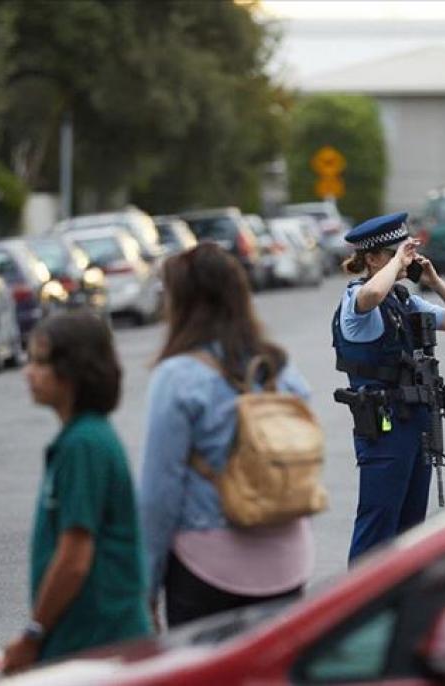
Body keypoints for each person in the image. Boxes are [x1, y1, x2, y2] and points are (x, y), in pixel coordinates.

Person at [140, 243, 313, 628]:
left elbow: (158, 494)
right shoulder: (280, 370)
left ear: (182, 303)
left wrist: (146, 588)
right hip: (287, 562)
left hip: (208, 564)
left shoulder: (179, 376)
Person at [3, 313, 150, 674]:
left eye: (40, 362)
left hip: (98, 642)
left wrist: (33, 634)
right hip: (85, 640)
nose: (28, 372)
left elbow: (75, 557)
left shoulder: (83, 445)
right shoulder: (80, 438)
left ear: (71, 372)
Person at [333, 211, 445, 564]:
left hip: (416, 426)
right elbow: (370, 294)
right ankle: (356, 607)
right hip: (383, 429)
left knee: (410, 533)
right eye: (395, 252)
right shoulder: (357, 304)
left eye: (407, 251)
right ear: (372, 258)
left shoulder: (404, 301)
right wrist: (398, 260)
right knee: (377, 528)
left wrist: (435, 280)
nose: (406, 259)